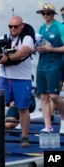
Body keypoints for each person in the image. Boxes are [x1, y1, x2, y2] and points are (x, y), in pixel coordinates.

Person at [0, 15, 34, 147]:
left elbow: (24, 51)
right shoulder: (4, 38)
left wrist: (8, 58)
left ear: (22, 26)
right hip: (5, 78)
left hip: (22, 79)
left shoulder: (27, 38)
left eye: (15, 26)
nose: (13, 29)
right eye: (10, 26)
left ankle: (24, 137)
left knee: (23, 109)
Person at [35, 3, 64, 133]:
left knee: (54, 96)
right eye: (43, 13)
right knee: (43, 96)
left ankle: (63, 117)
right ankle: (48, 126)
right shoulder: (41, 28)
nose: (45, 16)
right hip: (41, 64)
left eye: (48, 13)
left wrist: (50, 49)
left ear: (53, 14)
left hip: (55, 65)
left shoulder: (60, 27)